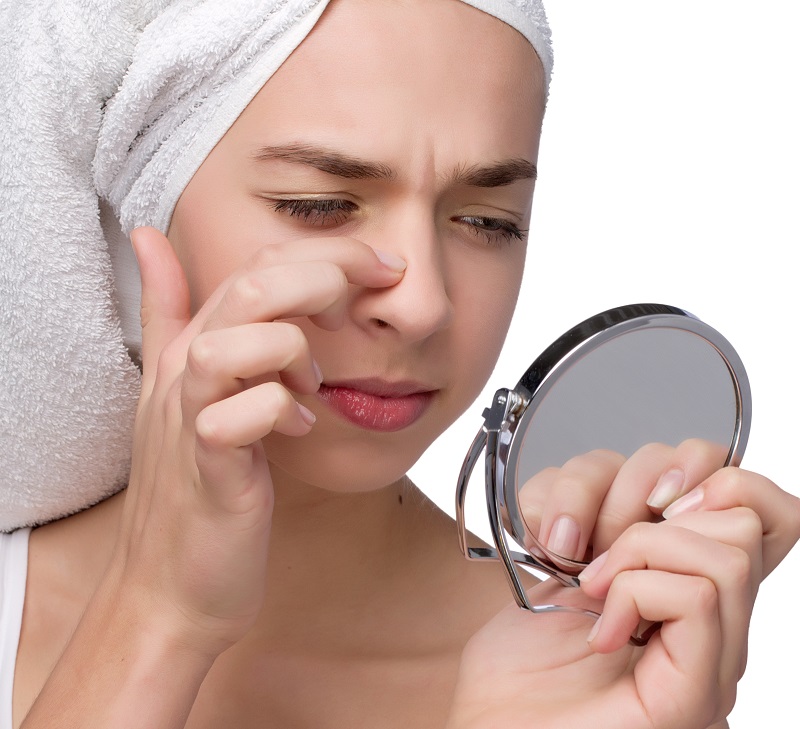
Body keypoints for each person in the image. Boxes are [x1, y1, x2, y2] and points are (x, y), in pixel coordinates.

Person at [1, 1, 798, 727]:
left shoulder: (600, 670)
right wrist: (155, 615)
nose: (422, 304)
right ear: (142, 217)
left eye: (487, 221)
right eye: (319, 206)